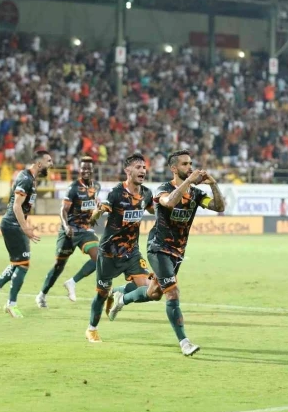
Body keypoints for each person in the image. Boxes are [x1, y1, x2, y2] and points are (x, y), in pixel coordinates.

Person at [107, 149, 225, 356]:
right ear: (174, 168)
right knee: (172, 292)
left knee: (154, 293)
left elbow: (219, 207)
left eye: (190, 164)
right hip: (158, 247)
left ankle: (121, 297)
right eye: (185, 164)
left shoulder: (196, 194)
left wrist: (213, 184)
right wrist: (189, 181)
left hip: (177, 252)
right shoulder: (163, 189)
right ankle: (184, 342)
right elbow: (169, 202)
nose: (190, 167)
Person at [84, 153, 154, 343]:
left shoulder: (146, 193)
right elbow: (96, 217)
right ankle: (91, 329)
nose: (143, 170)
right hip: (110, 253)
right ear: (127, 170)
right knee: (101, 293)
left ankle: (119, 292)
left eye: (144, 167)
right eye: (138, 167)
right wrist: (96, 212)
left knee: (151, 290)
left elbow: (154, 209)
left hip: (132, 252)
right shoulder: (116, 193)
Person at [0, 150, 53, 318]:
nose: (51, 164)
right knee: (23, 264)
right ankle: (11, 304)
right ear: (39, 163)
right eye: (49, 161)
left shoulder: (31, 179)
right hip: (13, 225)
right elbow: (16, 206)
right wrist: (25, 228)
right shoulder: (25, 179)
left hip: (14, 225)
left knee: (18, 263)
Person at [37, 156, 101, 307]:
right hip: (70, 232)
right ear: (79, 170)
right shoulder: (73, 188)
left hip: (85, 230)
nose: (86, 171)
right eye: (83, 168)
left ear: (92, 170)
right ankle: (42, 295)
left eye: (88, 168)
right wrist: (66, 226)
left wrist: (96, 212)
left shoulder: (95, 186)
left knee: (99, 257)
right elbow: (63, 210)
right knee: (58, 266)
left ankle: (72, 282)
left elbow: (91, 207)